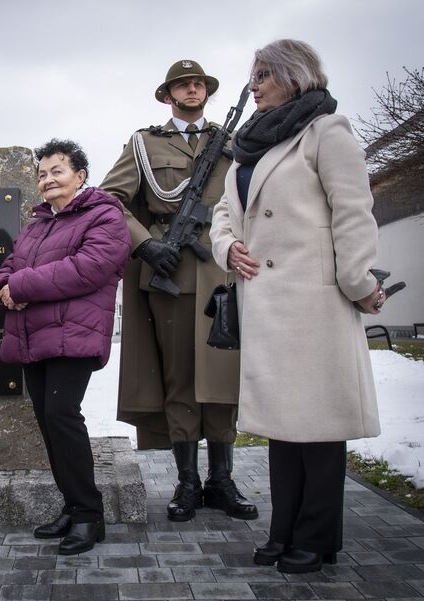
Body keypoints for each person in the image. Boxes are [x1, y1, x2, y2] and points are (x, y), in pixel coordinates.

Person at [209, 39, 383, 574]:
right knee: (283, 431)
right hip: (264, 303)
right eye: (253, 74)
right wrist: (226, 247)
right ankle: (283, 532)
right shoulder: (247, 147)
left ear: (295, 76)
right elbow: (223, 211)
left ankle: (316, 537)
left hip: (316, 304)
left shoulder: (327, 131)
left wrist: (359, 282)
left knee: (319, 429)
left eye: (264, 74)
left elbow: (353, 212)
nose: (254, 84)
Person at [101, 60, 258, 522]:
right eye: (182, 85)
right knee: (181, 379)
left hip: (223, 271)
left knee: (223, 378)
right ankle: (188, 482)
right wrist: (145, 243)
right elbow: (111, 199)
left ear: (206, 92)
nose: (192, 89)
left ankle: (222, 481)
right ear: (167, 95)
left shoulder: (231, 143)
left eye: (198, 84)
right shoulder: (144, 145)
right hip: (170, 275)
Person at [0, 139, 129, 555]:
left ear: (80, 176)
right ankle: (72, 505)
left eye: (57, 171)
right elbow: (9, 266)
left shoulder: (104, 215)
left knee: (62, 415)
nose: (47, 179)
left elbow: (89, 268)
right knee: (49, 421)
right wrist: (3, 287)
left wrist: (22, 286)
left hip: (75, 334)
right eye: (42, 173)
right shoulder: (35, 225)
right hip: (32, 335)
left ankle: (89, 515)